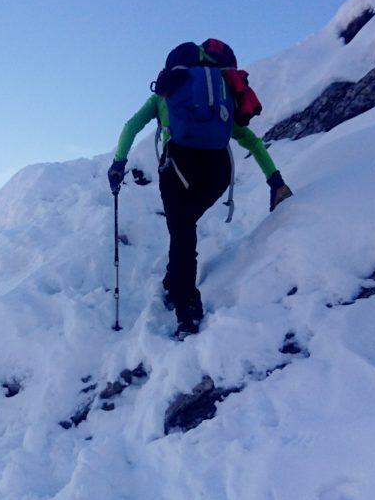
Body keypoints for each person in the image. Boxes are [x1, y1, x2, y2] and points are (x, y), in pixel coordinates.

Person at [107, 39, 292, 338]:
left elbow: (131, 125)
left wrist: (118, 164)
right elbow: (252, 141)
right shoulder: (219, 97)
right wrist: (276, 182)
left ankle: (187, 310)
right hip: (217, 169)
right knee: (184, 230)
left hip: (177, 165)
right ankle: (172, 281)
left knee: (183, 234)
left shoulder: (167, 93)